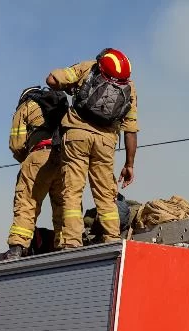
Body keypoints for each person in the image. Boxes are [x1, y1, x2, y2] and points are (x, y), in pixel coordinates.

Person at [45, 48, 139, 249]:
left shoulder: (89, 67)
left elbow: (52, 80)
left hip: (77, 136)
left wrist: (71, 87)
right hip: (105, 143)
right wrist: (129, 164)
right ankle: (112, 238)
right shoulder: (129, 86)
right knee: (106, 194)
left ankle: (72, 241)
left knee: (72, 190)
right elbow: (130, 129)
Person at [4, 86, 69, 261]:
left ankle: (18, 247)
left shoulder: (26, 106)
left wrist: (28, 160)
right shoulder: (61, 105)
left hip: (38, 155)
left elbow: (16, 144)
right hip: (64, 157)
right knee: (64, 205)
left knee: (26, 201)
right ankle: (66, 245)